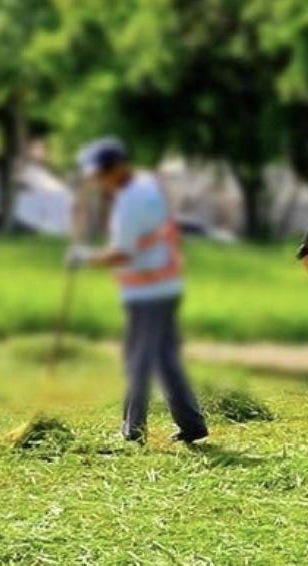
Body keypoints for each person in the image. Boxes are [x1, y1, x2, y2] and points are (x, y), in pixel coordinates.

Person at [66, 137, 208, 445]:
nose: (99, 182)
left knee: (138, 359)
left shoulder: (132, 200)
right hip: (162, 286)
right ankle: (192, 424)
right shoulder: (143, 186)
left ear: (116, 168)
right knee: (165, 359)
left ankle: (133, 431)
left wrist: (84, 258)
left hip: (149, 292)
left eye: (101, 175)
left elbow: (123, 253)